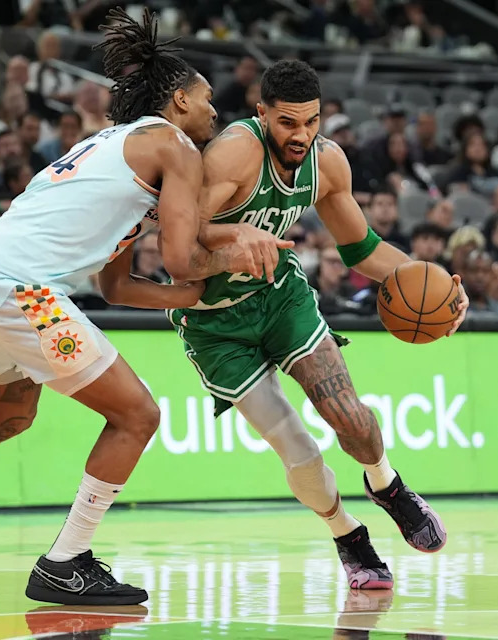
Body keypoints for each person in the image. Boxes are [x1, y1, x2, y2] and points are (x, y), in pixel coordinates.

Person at [0, 8, 286, 607]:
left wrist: (189, 298)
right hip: (20, 287)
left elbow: (118, 285)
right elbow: (182, 256)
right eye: (206, 101)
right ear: (177, 101)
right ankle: (64, 561)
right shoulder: (174, 144)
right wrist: (237, 251)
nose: (214, 112)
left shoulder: (117, 148)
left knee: (13, 414)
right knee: (138, 416)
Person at [170, 58, 468, 594]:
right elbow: (179, 254)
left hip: (280, 297)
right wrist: (235, 245)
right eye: (287, 122)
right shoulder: (234, 155)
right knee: (299, 450)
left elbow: (362, 250)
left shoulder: (327, 163)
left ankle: (387, 485)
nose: (301, 134)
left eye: (311, 121)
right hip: (212, 319)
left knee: (349, 416)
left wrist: (438, 288)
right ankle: (347, 535)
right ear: (262, 114)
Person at [445, 132, 498, 199]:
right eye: (472, 145)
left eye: (482, 145)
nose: (478, 149)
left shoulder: (496, 173)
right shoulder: (457, 173)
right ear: (465, 149)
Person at [462, 250, 498, 315]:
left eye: (485, 271)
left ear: (491, 274)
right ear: (464, 273)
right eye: (474, 270)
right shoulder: (453, 305)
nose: (480, 276)